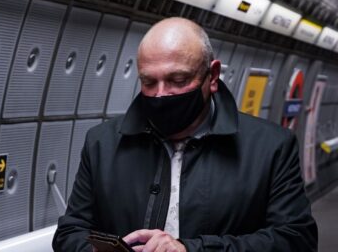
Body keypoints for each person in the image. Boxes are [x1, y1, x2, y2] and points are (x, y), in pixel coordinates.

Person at [53, 17, 317, 252]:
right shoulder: (102, 143)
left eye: (178, 81)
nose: (160, 94)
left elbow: (296, 240)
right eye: (148, 82)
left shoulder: (271, 147)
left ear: (212, 76)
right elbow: (69, 233)